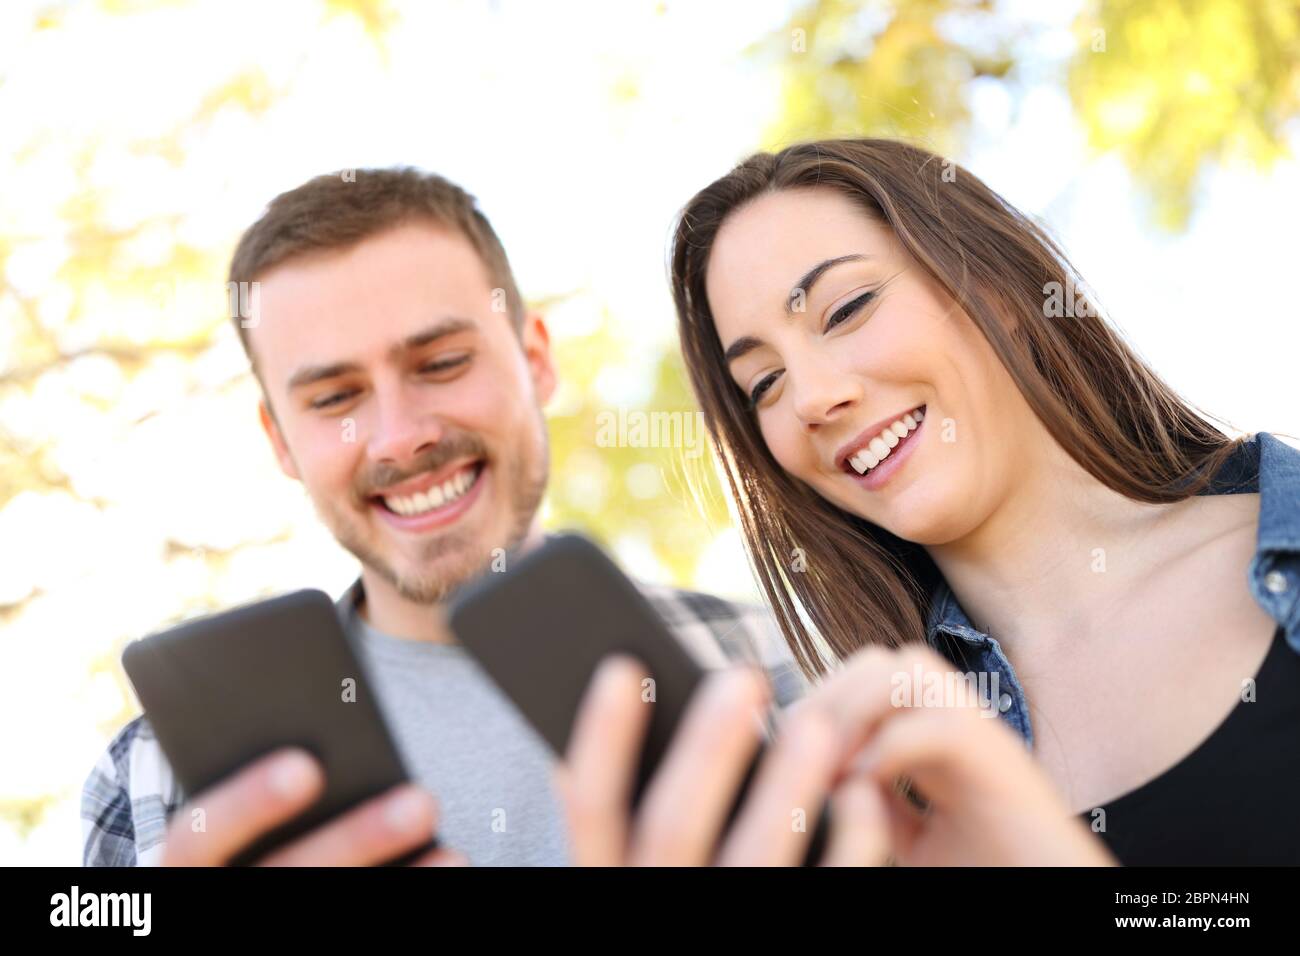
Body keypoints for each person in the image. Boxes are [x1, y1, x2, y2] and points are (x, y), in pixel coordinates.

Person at [573, 137, 1297, 866]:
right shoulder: (870, 792)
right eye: (765, 383)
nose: (814, 400)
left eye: (846, 308)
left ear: (998, 291)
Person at [79, 167, 806, 867]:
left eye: (442, 363)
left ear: (536, 360)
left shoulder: (780, 666)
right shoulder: (150, 780)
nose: (400, 437)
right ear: (281, 443)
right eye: (334, 398)